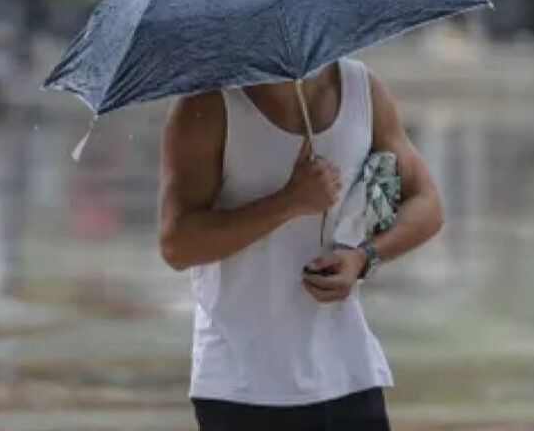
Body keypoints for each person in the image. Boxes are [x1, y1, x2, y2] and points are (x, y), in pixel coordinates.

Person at [158, 59, 444, 430]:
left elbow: (427, 203)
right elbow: (177, 243)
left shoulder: (362, 89)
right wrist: (288, 202)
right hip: (243, 386)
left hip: (349, 374)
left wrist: (364, 257)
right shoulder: (207, 105)